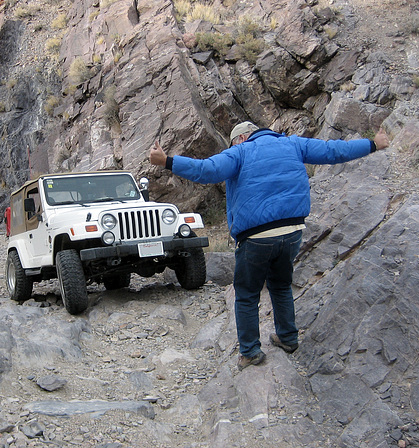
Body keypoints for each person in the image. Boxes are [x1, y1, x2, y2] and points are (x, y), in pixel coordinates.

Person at [149, 122, 390, 370]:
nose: (231, 147)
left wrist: (167, 161)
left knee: (247, 294)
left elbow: (207, 170)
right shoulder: (293, 143)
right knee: (281, 285)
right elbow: (334, 151)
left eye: (232, 143)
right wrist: (372, 144)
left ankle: (251, 352)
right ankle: (287, 338)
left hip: (256, 237)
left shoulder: (240, 152)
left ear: (241, 137)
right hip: (293, 231)